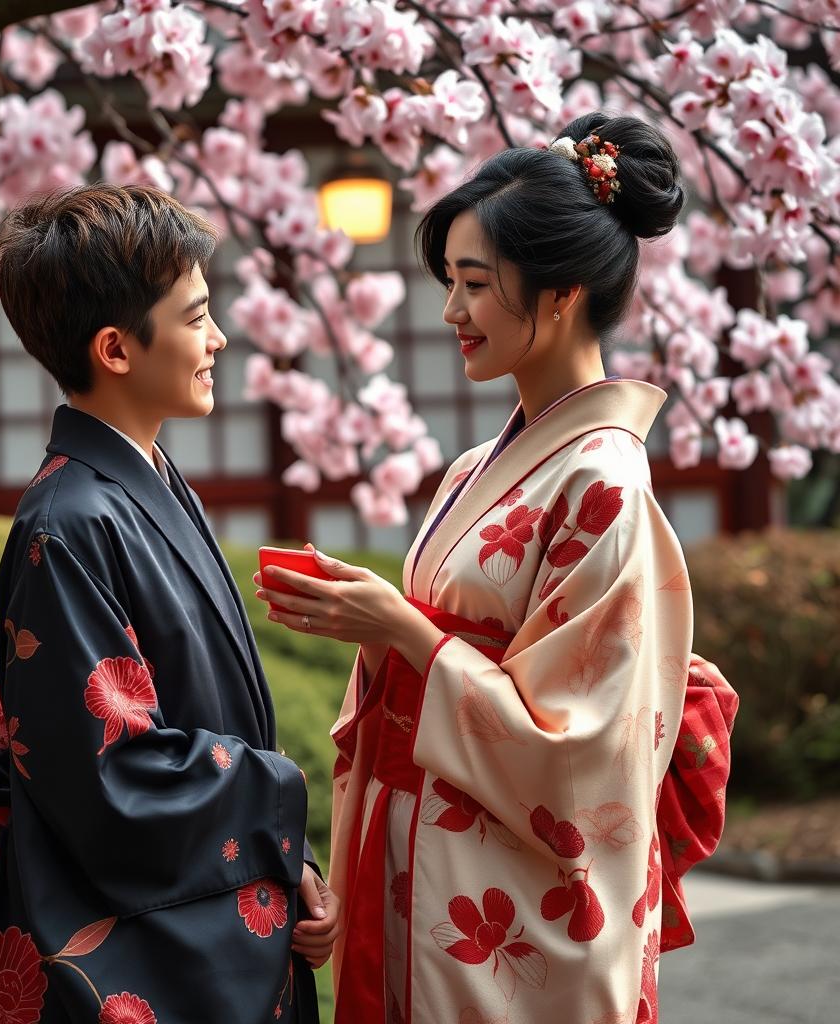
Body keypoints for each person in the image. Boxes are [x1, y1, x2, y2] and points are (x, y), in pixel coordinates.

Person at [255, 113, 737, 1023]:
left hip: (504, 904)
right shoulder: (473, 472)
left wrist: (398, 625)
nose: (451, 313)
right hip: (423, 871)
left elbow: (581, 752)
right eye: (451, 283)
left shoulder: (603, 483)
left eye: (475, 284)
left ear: (561, 294)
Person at [0, 184, 336, 1024]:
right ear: (117, 349)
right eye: (196, 318)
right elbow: (113, 775)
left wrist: (288, 858)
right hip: (153, 951)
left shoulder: (139, 482)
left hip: (217, 912)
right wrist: (276, 803)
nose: (220, 338)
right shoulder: (70, 522)